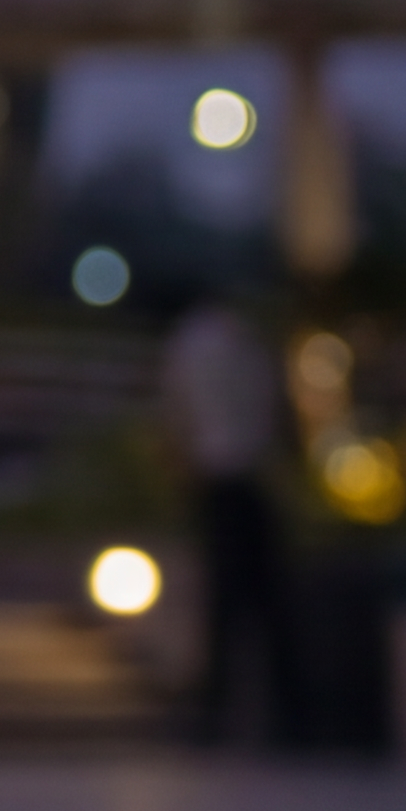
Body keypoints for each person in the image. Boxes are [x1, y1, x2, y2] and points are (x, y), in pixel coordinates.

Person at [156, 286, 296, 743]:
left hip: (220, 480)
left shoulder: (191, 343)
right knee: (261, 600)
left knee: (225, 601)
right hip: (248, 480)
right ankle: (277, 714)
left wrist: (182, 468)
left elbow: (180, 415)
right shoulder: (249, 342)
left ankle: (218, 712)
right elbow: (272, 413)